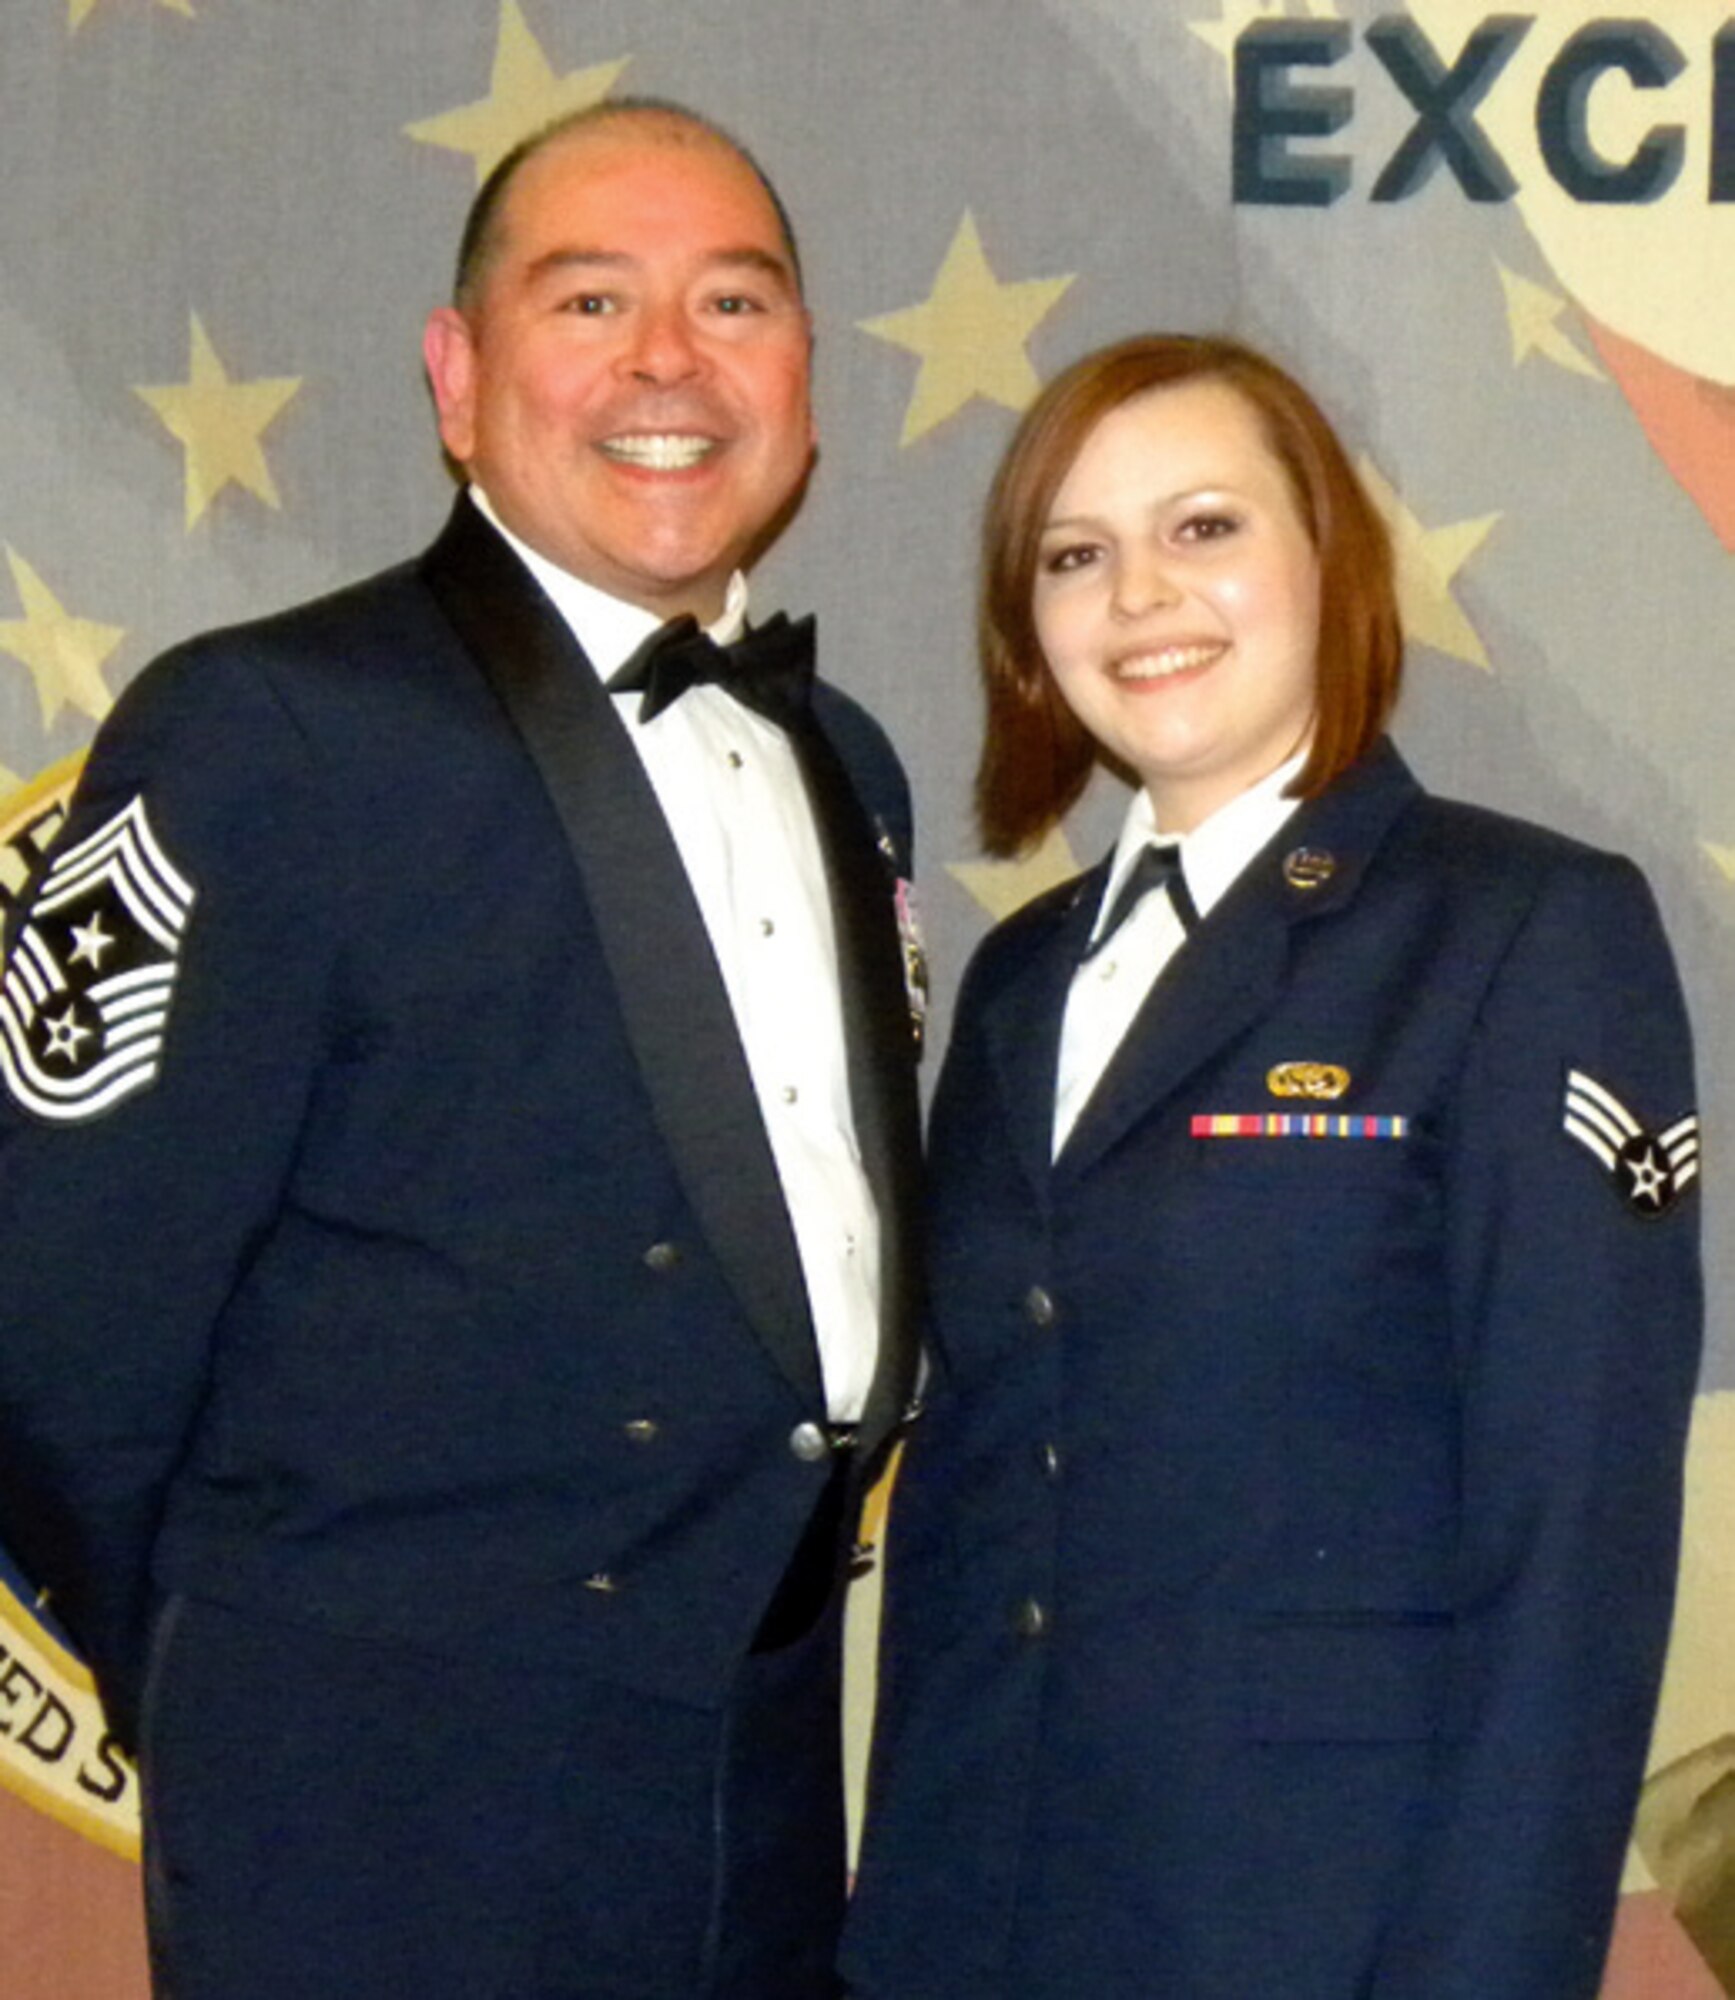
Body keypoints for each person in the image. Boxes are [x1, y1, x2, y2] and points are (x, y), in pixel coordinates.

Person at [0, 100, 921, 1999]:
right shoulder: (269, 731)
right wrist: (266, 1693)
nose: (668, 360)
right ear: (456, 376)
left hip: (758, 1795)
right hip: (377, 1817)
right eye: (590, 300)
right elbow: (58, 1319)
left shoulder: (848, 763)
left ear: (804, 378)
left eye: (733, 302)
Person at [842, 334, 1700, 2000]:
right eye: (1075, 555)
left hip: (1318, 1933)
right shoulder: (1019, 983)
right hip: (978, 1914)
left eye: (1204, 527)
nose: (1139, 595)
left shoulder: (1519, 932)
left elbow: (1573, 1549)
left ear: (1329, 558)